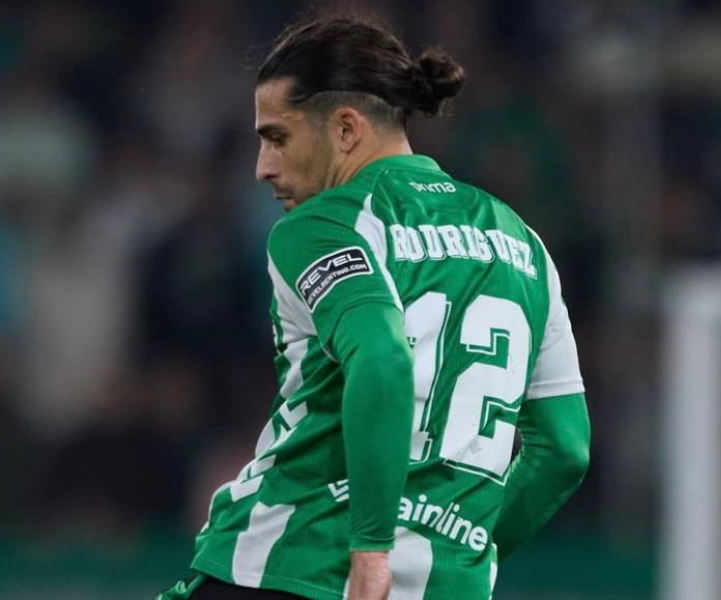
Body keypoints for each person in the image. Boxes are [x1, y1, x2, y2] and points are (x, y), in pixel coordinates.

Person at [159, 13, 590, 600]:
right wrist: (460, 558)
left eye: (276, 137)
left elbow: (383, 357)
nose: (263, 167)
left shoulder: (326, 224)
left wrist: (372, 552)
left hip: (291, 567)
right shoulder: (525, 245)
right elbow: (564, 450)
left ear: (344, 129)